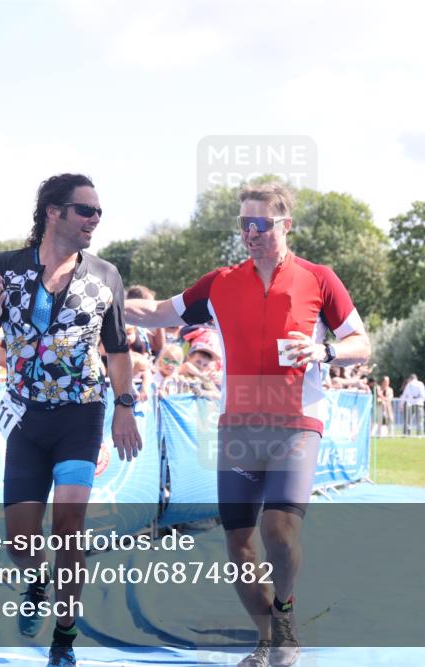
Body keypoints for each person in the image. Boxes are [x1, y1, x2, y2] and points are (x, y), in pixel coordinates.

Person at [124, 182, 370, 667]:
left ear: (286, 225)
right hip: (238, 426)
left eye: (261, 224)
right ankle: (273, 638)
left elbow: (360, 341)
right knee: (238, 543)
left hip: (297, 424)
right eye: (243, 225)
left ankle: (284, 609)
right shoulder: (219, 283)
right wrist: (98, 296)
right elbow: (156, 313)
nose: (251, 233)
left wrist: (325, 351)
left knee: (279, 531)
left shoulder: (320, 279)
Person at [0, 173, 142, 667]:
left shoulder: (106, 276)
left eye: (98, 212)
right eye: (85, 211)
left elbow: (118, 351)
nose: (95, 220)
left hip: (81, 415)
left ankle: (63, 639)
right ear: (54, 212)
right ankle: (35, 579)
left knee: (70, 526)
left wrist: (124, 409)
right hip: (24, 418)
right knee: (21, 543)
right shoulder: (6, 268)